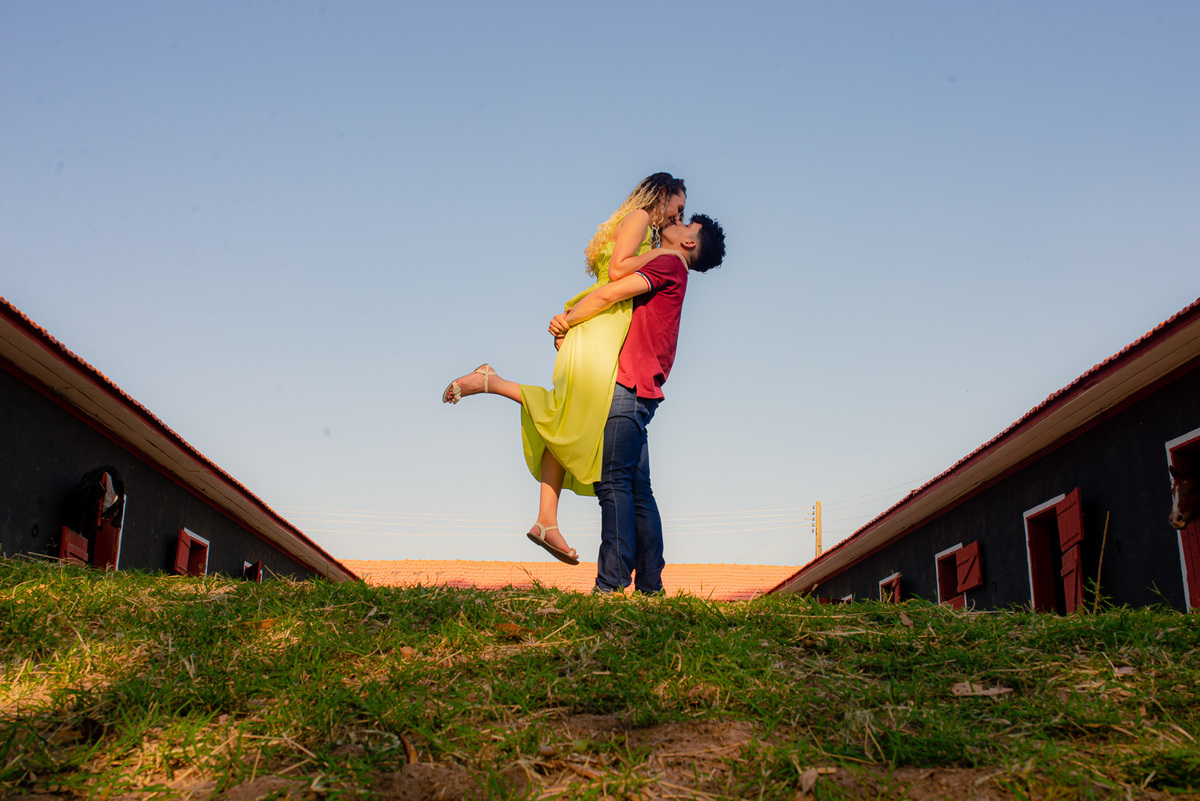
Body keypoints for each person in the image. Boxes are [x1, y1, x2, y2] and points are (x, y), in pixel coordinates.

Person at [442, 174, 687, 564]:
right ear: (662, 195)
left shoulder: (632, 220)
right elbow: (621, 270)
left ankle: (546, 520)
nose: (679, 215)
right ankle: (491, 381)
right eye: (678, 205)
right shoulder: (642, 217)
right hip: (604, 325)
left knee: (568, 416)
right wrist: (668, 256)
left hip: (602, 323)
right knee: (567, 414)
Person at [548, 214, 726, 594]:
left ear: (690, 243)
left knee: (612, 482)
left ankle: (610, 584)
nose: (676, 223)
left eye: (684, 224)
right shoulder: (675, 270)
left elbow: (610, 292)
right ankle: (650, 585)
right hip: (644, 388)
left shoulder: (667, 262)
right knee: (637, 487)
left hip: (627, 386)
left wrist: (567, 320)